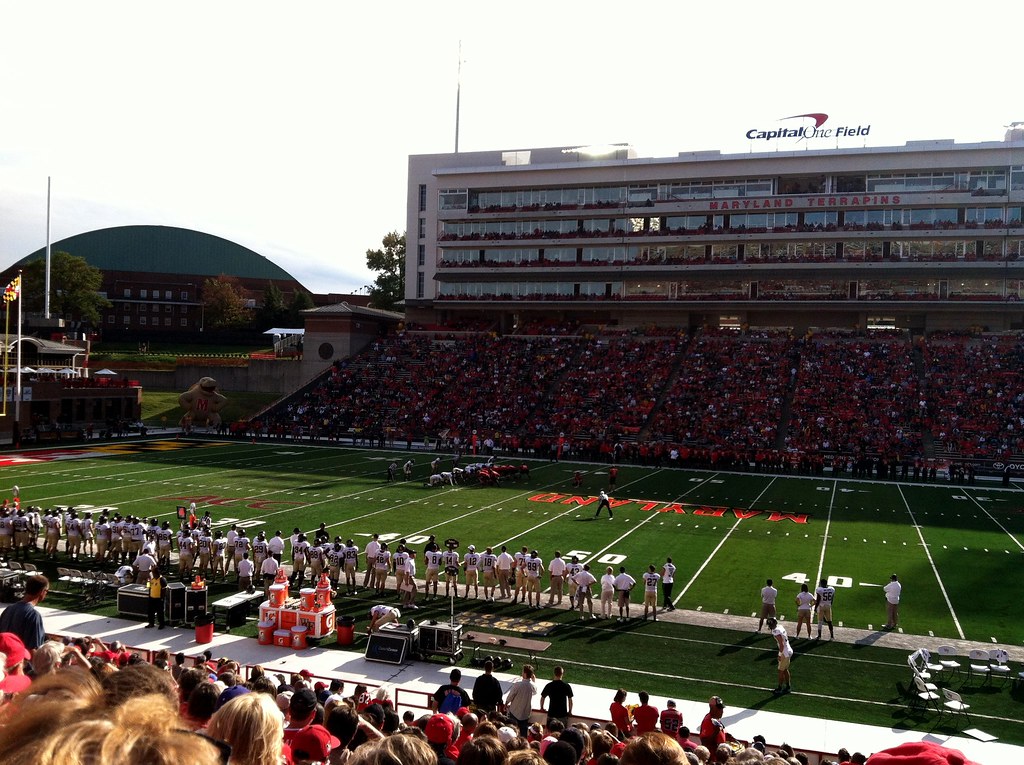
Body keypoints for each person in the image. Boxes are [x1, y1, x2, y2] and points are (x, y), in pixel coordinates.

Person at [0, 574, 48, 650]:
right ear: (42, 591)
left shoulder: (8, 609)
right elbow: (34, 650)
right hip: (20, 656)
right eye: (47, 591)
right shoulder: (33, 615)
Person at [503, 663, 537, 736]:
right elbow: (535, 691)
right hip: (525, 713)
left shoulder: (518, 684)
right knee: (523, 733)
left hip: (515, 711)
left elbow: (511, 696)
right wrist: (533, 681)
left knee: (513, 731)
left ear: (525, 674)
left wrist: (506, 703)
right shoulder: (532, 686)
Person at [767, 617, 793, 694]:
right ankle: (788, 686)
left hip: (785, 652)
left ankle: (779, 688)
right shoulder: (780, 627)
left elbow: (781, 645)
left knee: (780, 671)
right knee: (785, 669)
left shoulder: (776, 631)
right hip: (788, 650)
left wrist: (779, 654)